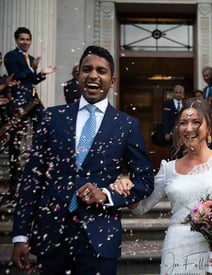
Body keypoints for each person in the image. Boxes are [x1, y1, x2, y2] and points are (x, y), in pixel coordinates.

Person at [11, 45, 154, 274]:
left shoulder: (126, 125)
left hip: (99, 238)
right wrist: (20, 235)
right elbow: (31, 180)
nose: (93, 75)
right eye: (87, 69)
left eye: (101, 70)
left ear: (112, 80)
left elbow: (145, 181)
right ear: (78, 76)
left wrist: (107, 194)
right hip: (51, 235)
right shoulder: (52, 117)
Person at [111, 97, 212, 275]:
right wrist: (126, 188)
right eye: (183, 123)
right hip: (177, 249)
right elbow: (140, 207)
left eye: (196, 122)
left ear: (209, 127)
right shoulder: (168, 169)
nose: (189, 128)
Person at [4, 27, 56, 122]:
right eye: (22, 39)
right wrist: (32, 68)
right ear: (16, 40)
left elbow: (33, 81)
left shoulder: (31, 58)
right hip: (18, 98)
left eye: (28, 39)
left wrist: (42, 74)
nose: (25, 42)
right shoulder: (11, 55)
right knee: (18, 129)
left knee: (44, 121)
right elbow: (15, 77)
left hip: (32, 97)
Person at [161, 84, 184, 158]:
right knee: (172, 152)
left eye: (180, 93)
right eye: (176, 92)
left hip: (183, 133)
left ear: (182, 94)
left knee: (182, 152)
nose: (178, 94)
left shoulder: (185, 104)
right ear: (173, 93)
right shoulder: (168, 104)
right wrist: (166, 132)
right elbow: (165, 119)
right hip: (171, 133)